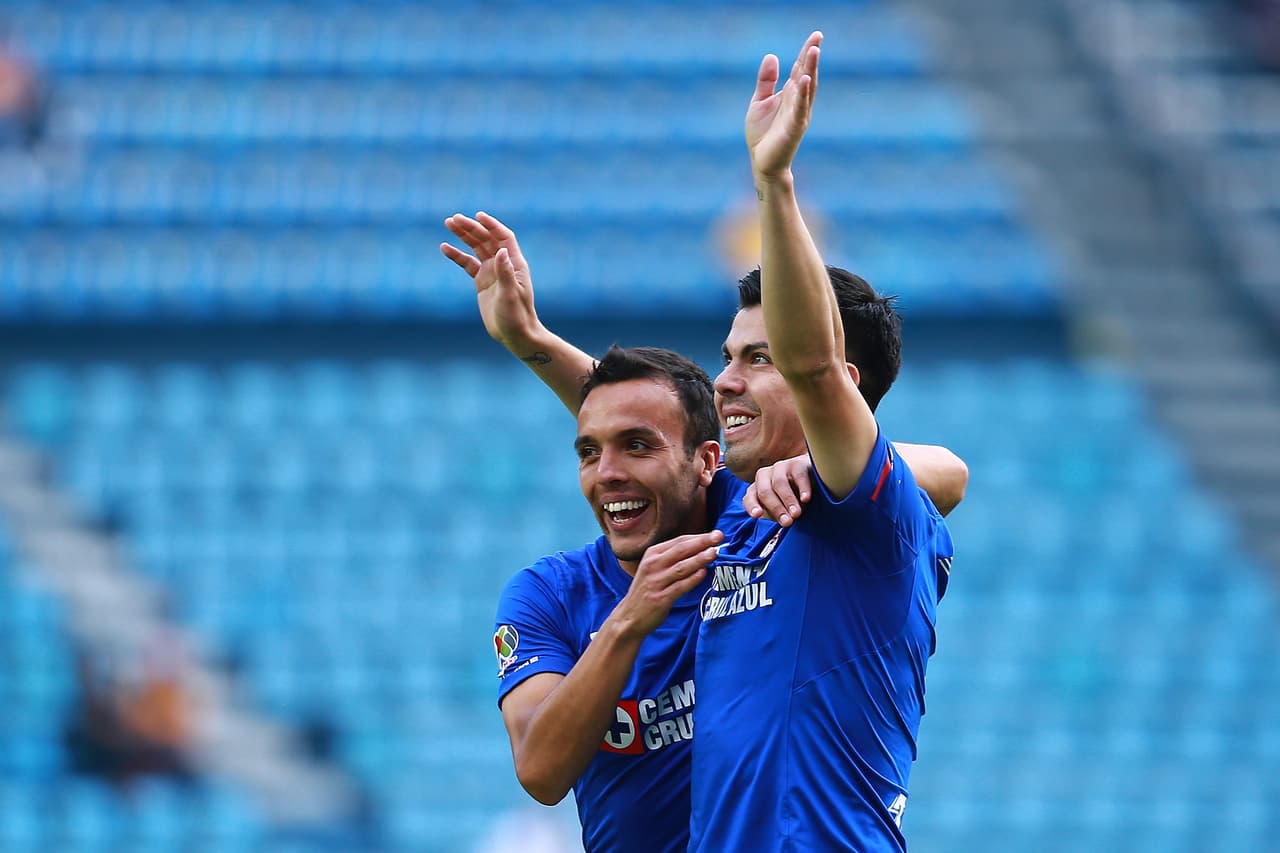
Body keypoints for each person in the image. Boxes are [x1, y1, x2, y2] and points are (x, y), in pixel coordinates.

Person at [687, 31, 953, 851]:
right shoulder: (738, 508)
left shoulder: (862, 518)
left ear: (848, 386)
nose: (724, 382)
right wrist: (534, 346)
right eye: (726, 358)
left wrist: (772, 183)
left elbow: (817, 370)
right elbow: (632, 428)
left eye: (755, 360)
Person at [491, 344, 730, 853]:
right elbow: (541, 771)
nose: (606, 474)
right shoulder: (548, 594)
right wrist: (629, 621)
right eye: (588, 452)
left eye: (637, 446)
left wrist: (798, 470)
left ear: (707, 460)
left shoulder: (760, 529)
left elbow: (943, 475)